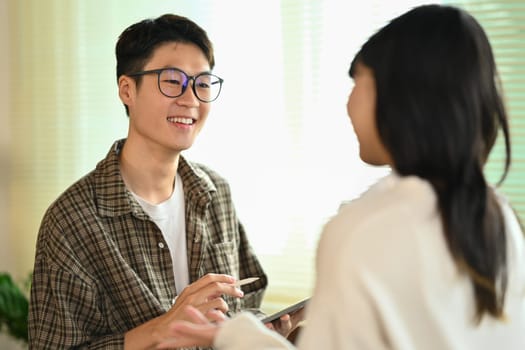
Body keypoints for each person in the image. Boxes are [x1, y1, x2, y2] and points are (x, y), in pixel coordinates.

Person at [157, 4, 525, 350]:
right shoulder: (499, 217)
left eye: (357, 81)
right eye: (172, 81)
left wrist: (238, 335)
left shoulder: (364, 227)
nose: (347, 104)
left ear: (398, 96)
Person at [27, 13, 295, 349]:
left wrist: (258, 336)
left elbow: (247, 301)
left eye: (201, 83)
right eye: (172, 81)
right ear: (127, 89)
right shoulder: (71, 221)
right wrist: (162, 328)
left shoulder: (216, 193)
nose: (191, 99)